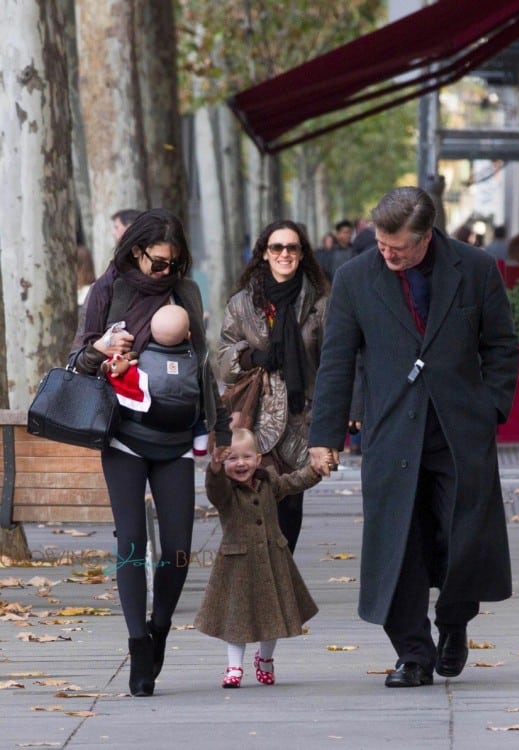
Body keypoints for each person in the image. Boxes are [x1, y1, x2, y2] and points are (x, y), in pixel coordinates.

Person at [309, 186, 519, 688]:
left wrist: (489, 409)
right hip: (391, 433)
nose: (387, 254)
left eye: (397, 247)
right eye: (381, 244)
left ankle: (453, 627)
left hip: (459, 432)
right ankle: (412, 653)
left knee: (459, 538)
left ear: (425, 237)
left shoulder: (474, 268)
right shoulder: (355, 279)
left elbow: (502, 346)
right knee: (397, 545)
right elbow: (337, 363)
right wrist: (325, 436)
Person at [71, 208, 231, 697]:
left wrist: (218, 430)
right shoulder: (107, 290)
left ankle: (159, 628)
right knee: (132, 542)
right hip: (123, 433)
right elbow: (76, 360)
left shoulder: (185, 291)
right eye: (157, 262)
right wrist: (102, 347)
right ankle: (138, 644)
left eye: (172, 263)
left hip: (176, 438)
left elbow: (203, 365)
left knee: (179, 546)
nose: (164, 272)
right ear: (134, 250)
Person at [217, 219, 329, 554]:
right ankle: (259, 582)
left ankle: (281, 581)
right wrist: (249, 356)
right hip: (255, 420)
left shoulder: (320, 304)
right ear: (265, 254)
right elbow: (222, 356)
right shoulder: (242, 304)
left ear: (301, 253)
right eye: (277, 247)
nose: (284, 253)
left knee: (290, 508)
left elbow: (333, 362)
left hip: (300, 418)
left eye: (292, 247)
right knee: (253, 507)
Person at [194, 428, 321, 688]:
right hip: (237, 564)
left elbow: (294, 482)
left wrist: (315, 471)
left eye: (247, 457)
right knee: (236, 618)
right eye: (232, 458)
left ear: (258, 458)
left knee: (272, 614)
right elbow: (214, 488)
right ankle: (234, 667)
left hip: (272, 558)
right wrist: (215, 468)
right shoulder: (225, 491)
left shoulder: (268, 482)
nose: (240, 463)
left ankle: (265, 659)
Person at [101, 304, 208, 456]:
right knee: (198, 411)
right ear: (188, 336)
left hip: (139, 426)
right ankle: (201, 434)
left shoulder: (142, 355)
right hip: (184, 426)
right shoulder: (193, 357)